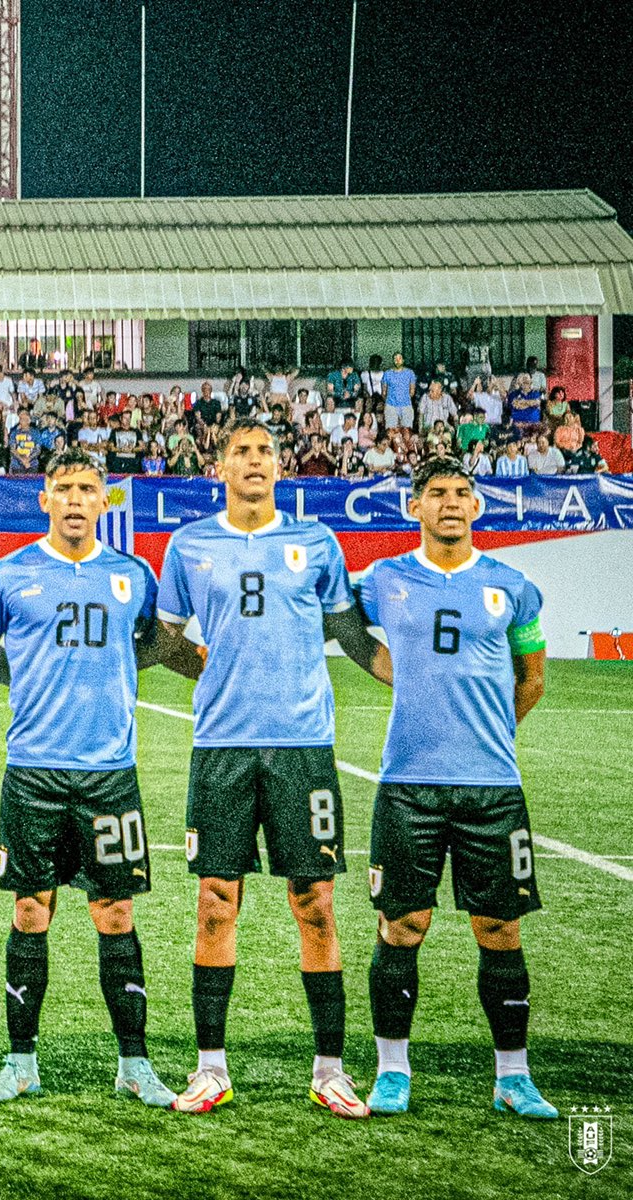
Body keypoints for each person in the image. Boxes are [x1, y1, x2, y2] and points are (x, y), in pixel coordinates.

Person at [158, 418, 386, 1118]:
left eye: (264, 451)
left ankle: (330, 1070)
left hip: (302, 745)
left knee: (314, 904)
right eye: (241, 452)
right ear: (219, 466)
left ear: (280, 465)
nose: (254, 461)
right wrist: (211, 668)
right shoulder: (189, 545)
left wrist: (414, 681)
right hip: (222, 747)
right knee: (215, 902)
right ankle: (210, 1069)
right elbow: (166, 638)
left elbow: (350, 635)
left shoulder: (315, 543)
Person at [0, 448, 179, 1107]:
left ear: (103, 502)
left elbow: (152, 644)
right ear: (44, 499)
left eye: (87, 489)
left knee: (116, 912)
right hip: (33, 770)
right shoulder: (7, 574)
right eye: (64, 489)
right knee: (29, 909)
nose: (75, 499)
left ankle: (135, 1065)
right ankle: (20, 1063)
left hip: (109, 772)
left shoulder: (132, 575)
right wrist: (24, 673)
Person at [352, 457, 557, 1120]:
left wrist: (490, 733)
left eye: (462, 493)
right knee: (402, 925)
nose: (450, 502)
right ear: (415, 507)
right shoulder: (383, 579)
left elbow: (532, 678)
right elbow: (344, 630)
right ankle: (391, 1071)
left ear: (477, 507)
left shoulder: (512, 586)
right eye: (437, 493)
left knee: (499, 927)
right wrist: (397, 678)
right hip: (407, 783)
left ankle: (513, 1077)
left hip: (492, 787)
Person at [382, 355, 417, 429]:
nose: (397, 361)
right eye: (395, 359)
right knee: (390, 431)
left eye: (399, 358)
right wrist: (389, 402)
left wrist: (404, 399)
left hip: (406, 405)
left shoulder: (410, 373)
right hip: (391, 405)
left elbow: (412, 391)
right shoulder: (387, 373)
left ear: (403, 360)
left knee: (407, 430)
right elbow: (384, 391)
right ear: (393, 361)